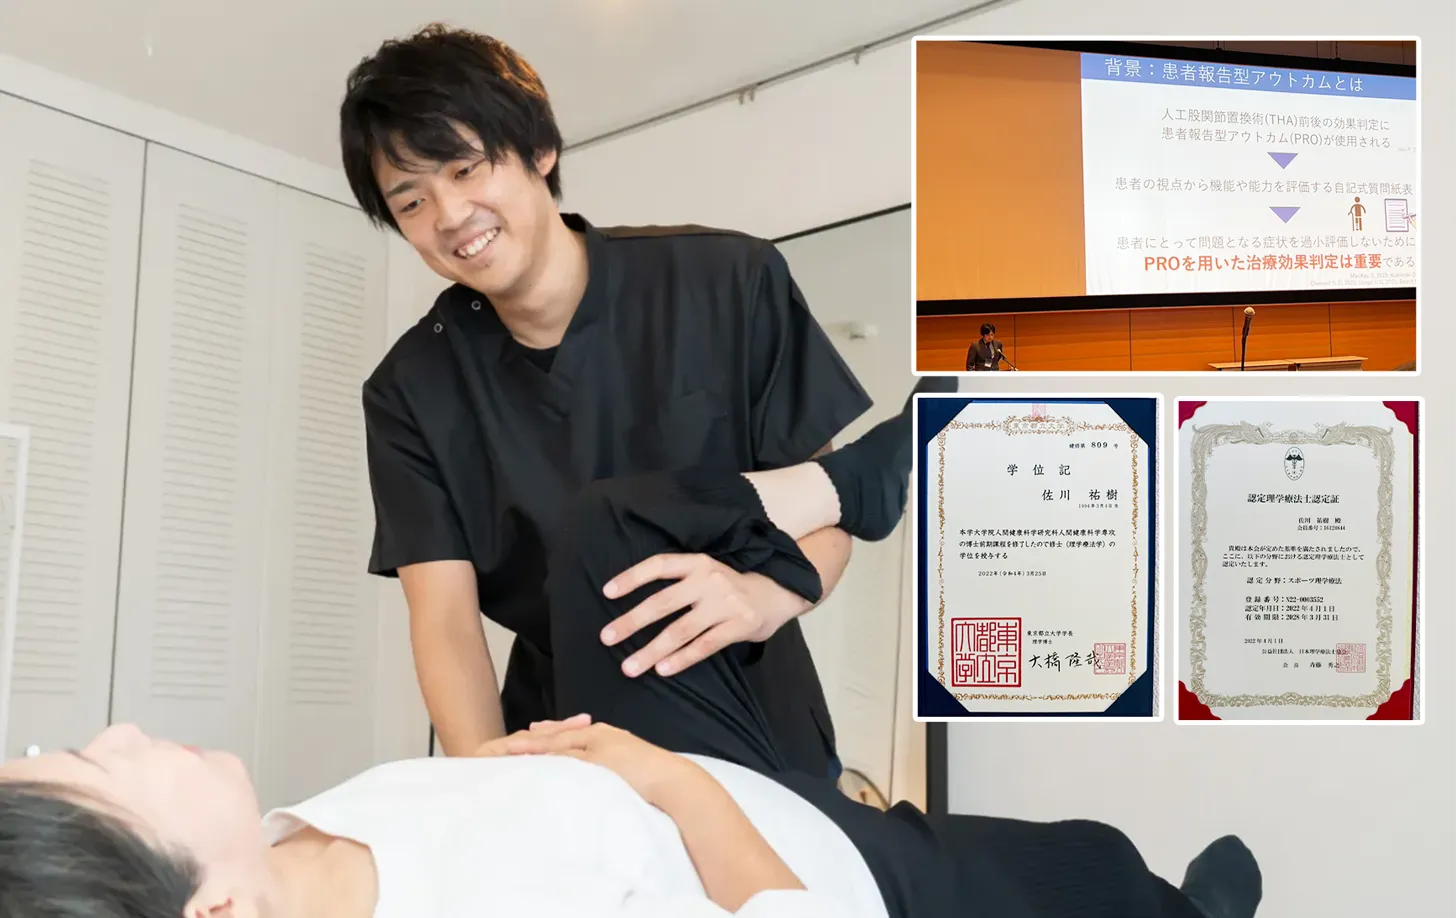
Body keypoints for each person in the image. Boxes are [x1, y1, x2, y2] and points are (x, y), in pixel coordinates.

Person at [0, 383, 1261, 918]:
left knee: (605, 533)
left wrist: (523, 761)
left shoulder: (275, 842)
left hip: (646, 753)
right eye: (102, 772)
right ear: (210, 910)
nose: (118, 732)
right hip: (787, 851)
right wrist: (666, 785)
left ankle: (848, 488)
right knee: (1081, 866)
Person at [340, 24, 871, 777]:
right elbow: (444, 621)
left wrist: (762, 596)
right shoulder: (410, 391)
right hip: (562, 738)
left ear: (539, 150)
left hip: (756, 715)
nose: (449, 215)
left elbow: (831, 506)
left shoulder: (728, 281)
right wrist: (485, 783)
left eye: (465, 168)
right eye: (411, 200)